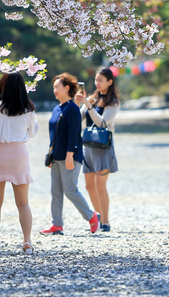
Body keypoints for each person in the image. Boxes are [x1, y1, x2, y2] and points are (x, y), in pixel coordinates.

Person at [0, 72, 39, 256]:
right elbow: (33, 132)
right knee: (23, 202)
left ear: (1, 88)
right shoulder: (27, 109)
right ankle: (27, 243)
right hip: (18, 153)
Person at [40, 72, 100, 236]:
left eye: (57, 87)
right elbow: (54, 135)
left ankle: (92, 217)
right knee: (56, 191)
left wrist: (69, 155)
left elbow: (74, 133)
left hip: (70, 156)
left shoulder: (73, 109)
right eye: (53, 88)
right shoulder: (55, 109)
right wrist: (50, 155)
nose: (54, 90)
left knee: (70, 190)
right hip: (56, 155)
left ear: (67, 88)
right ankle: (57, 225)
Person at [75, 67, 120, 232]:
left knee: (101, 185)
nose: (97, 83)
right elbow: (78, 118)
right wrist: (78, 103)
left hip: (103, 146)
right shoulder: (92, 99)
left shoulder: (113, 102)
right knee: (89, 186)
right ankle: (99, 216)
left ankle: (106, 221)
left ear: (110, 82)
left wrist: (88, 105)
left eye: (101, 80)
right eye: (96, 80)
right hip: (88, 146)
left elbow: (102, 123)